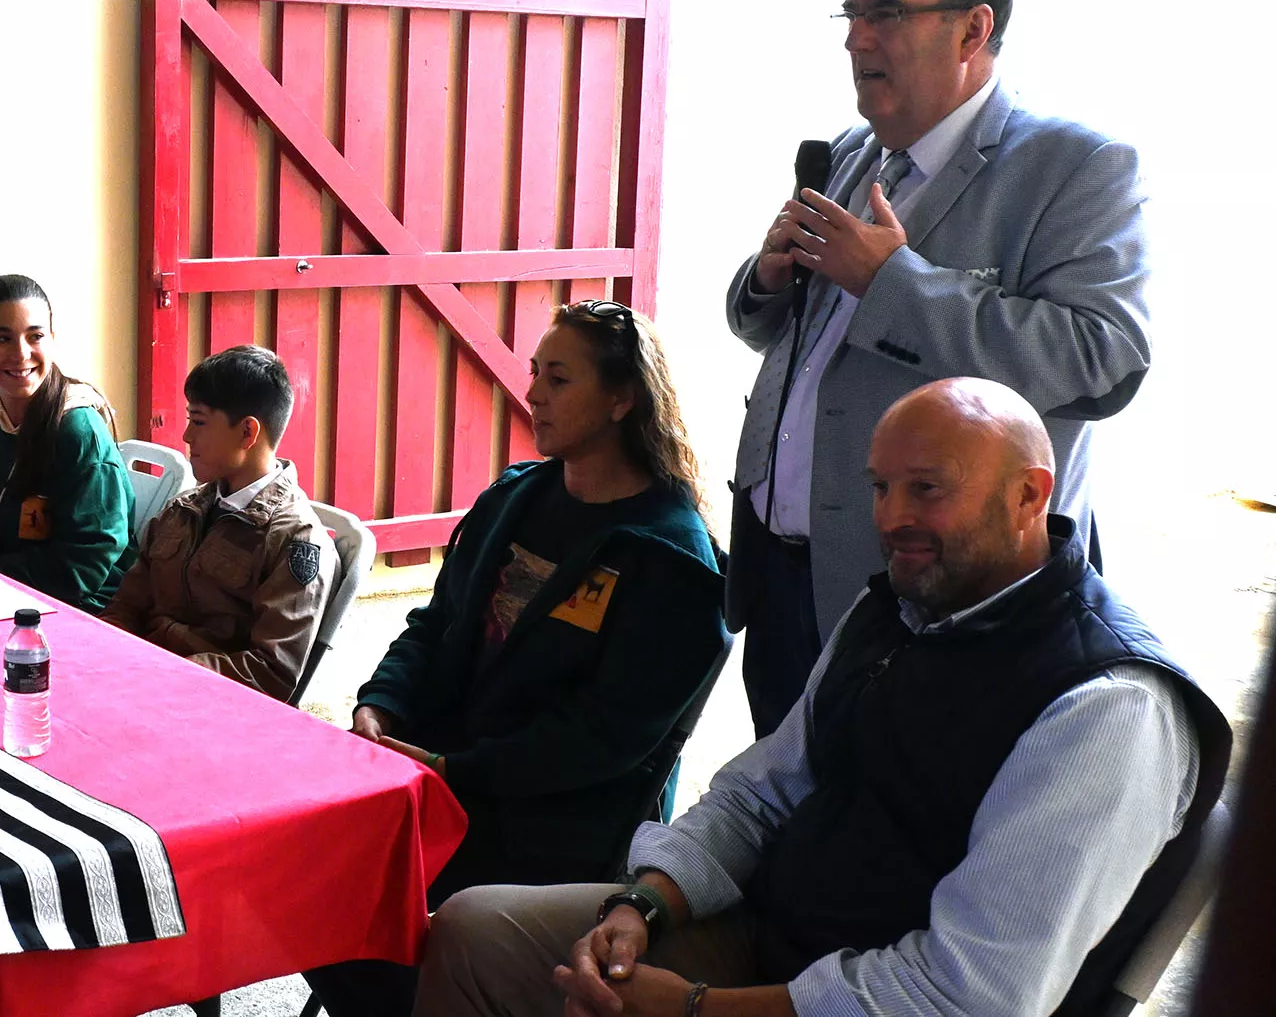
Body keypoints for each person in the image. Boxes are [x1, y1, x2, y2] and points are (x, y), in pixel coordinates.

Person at [416, 378, 1230, 1017]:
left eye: (927, 488)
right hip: (778, 932)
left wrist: (699, 1007)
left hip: (879, 996)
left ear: (1029, 495)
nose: (892, 517)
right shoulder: (896, 611)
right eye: (880, 487)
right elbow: (759, 792)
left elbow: (972, 993)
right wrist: (645, 904)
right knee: (473, 931)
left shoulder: (1106, 706)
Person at [727, 0, 1153, 737]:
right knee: (780, 835)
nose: (855, 39)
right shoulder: (854, 152)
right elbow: (788, 341)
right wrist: (766, 280)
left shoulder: (1077, 167)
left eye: (886, 12)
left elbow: (1105, 361)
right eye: (849, 15)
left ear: (974, 28)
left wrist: (894, 285)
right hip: (781, 584)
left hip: (934, 603)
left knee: (900, 843)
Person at [308, 302, 728, 1017]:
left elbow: (600, 741)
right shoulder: (517, 495)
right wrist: (380, 702)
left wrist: (453, 771)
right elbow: (433, 625)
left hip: (546, 824)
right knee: (299, 874)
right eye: (536, 371)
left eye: (559, 378)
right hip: (441, 778)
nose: (532, 391)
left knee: (354, 909)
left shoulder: (671, 561)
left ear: (623, 398)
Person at [101, 344, 335, 701]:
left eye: (198, 422)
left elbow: (273, 671)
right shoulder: (183, 510)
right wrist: (98, 656)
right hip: (137, 678)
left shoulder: (294, 540)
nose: (186, 436)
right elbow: (126, 606)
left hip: (203, 702)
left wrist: (166, 673)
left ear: (247, 433)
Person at [0, 274, 136, 612]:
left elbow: (86, 564)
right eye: (2, 339)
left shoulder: (79, 431)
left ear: (51, 339)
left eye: (34, 336)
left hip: (80, 605)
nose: (21, 354)